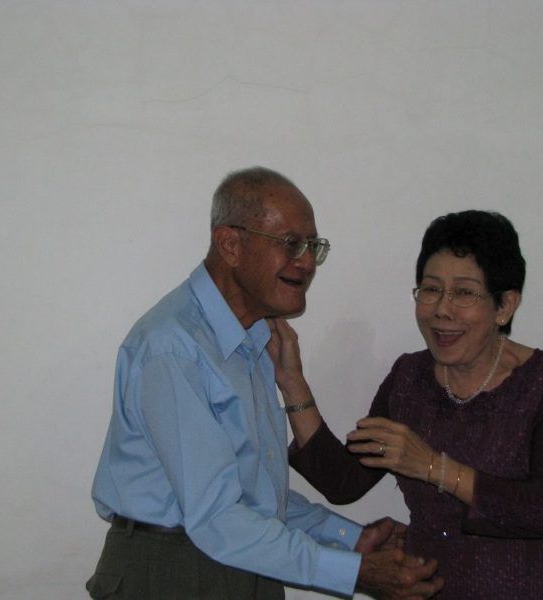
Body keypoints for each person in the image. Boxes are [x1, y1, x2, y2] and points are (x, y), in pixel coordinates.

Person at [86, 166, 444, 600]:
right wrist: (353, 572)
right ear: (230, 245)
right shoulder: (173, 347)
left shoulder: (255, 338)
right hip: (170, 573)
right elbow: (218, 518)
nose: (308, 262)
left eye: (313, 246)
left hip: (241, 563)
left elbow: (250, 498)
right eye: (291, 244)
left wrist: (349, 538)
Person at [270, 210, 543, 599]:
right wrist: (292, 381)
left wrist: (433, 466)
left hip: (528, 583)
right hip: (430, 586)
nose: (442, 309)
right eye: (431, 289)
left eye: (465, 292)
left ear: (505, 305)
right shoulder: (410, 378)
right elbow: (343, 481)